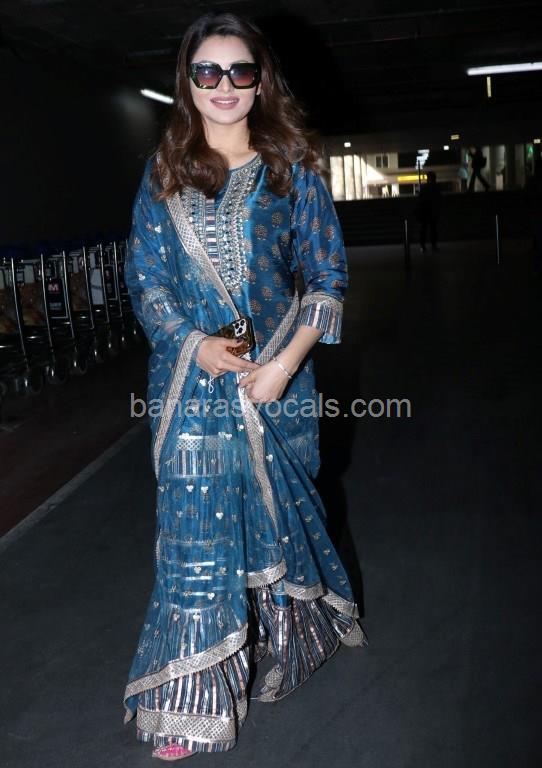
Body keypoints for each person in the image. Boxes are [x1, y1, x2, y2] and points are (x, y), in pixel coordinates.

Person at [122, 12, 367, 761]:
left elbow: (327, 279)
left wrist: (283, 366)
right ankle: (189, 701)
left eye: (240, 71)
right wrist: (193, 345)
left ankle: (286, 637)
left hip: (275, 385)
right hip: (189, 389)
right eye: (208, 71)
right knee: (194, 543)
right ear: (187, 82)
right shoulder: (165, 173)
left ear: (261, 82)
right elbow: (146, 278)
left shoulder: (292, 167)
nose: (224, 85)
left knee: (273, 526)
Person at [417, 170, 441, 252]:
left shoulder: (424, 188)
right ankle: (433, 245)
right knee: (433, 229)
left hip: (425, 211)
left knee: (424, 229)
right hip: (432, 211)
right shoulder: (436, 188)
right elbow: (439, 200)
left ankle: (423, 245)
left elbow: (420, 199)